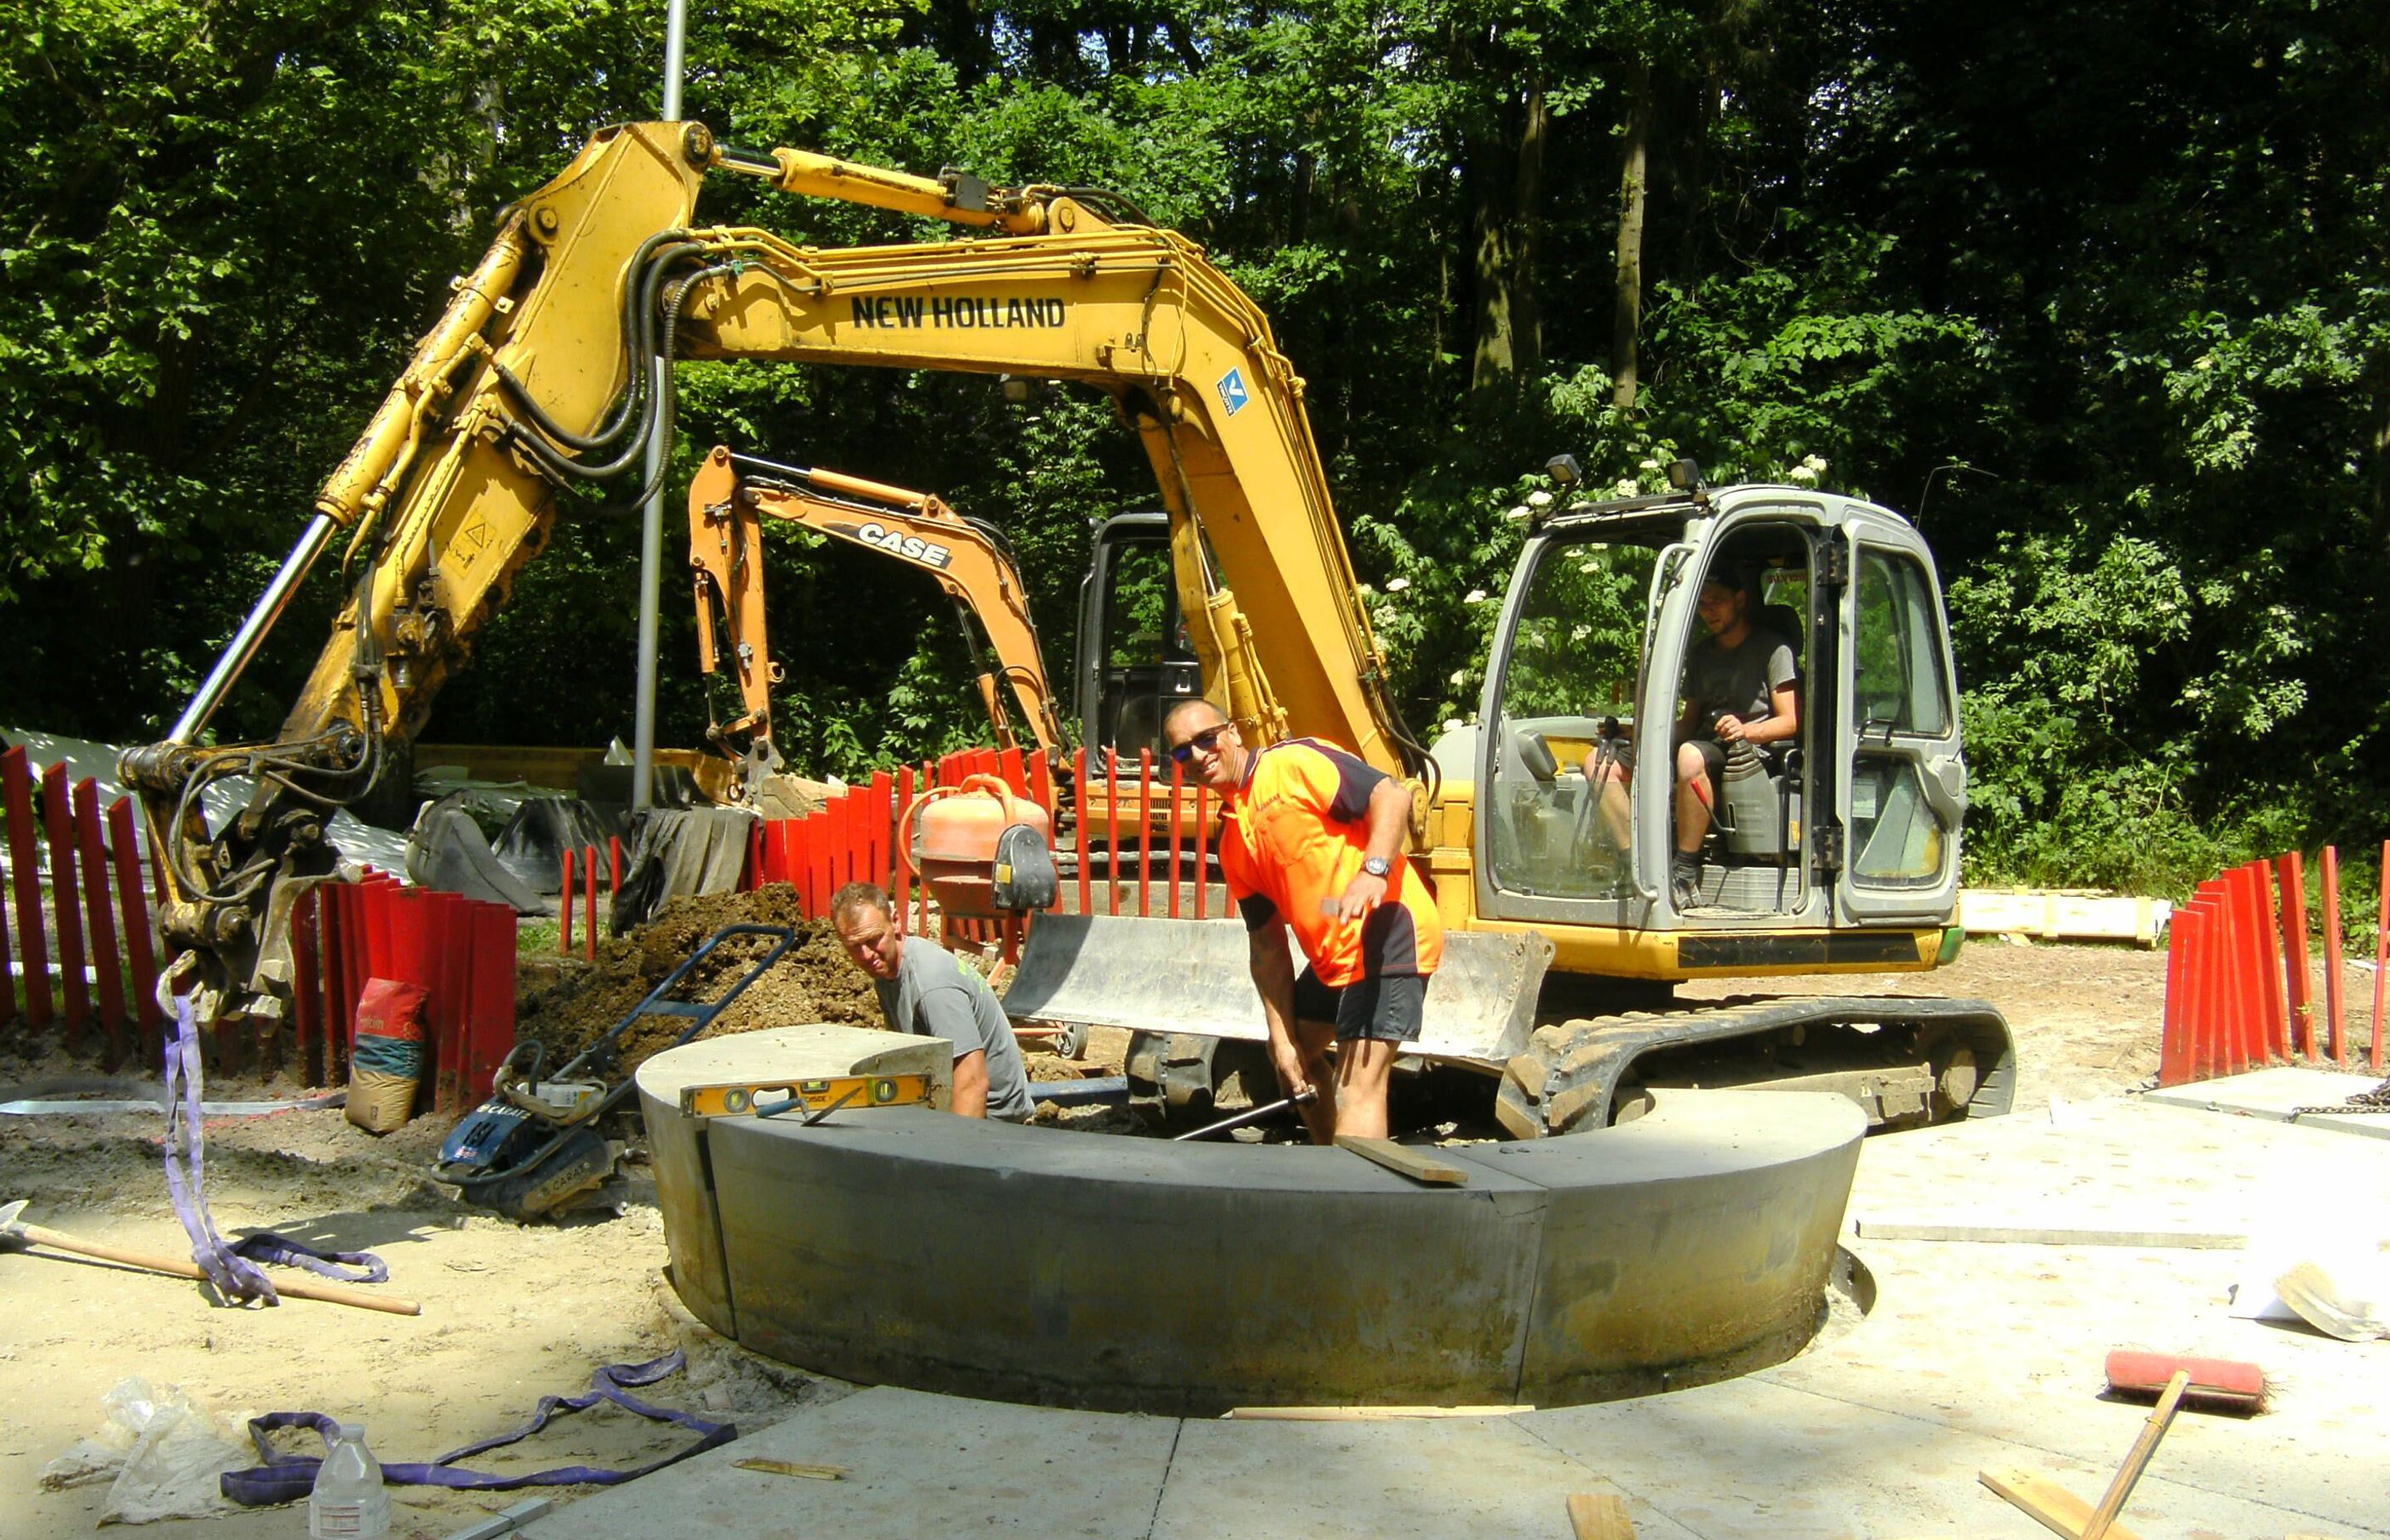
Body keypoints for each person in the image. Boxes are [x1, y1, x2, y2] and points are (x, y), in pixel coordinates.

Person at [1162, 699, 1443, 1143]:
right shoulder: (1233, 837)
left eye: (1205, 739)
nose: (1197, 756)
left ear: (1232, 732)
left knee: (1359, 1088)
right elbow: (1268, 945)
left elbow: (1392, 793)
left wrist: (1374, 871)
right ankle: (1330, 1169)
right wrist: (1282, 1039)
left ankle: (1354, 1204)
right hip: (1336, 957)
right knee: (1297, 1064)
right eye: (1182, 752)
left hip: (1388, 930)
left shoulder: (1292, 764)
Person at [1586, 567, 1798, 907]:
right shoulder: (1701, 655)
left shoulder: (1774, 650)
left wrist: (1747, 731)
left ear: (1740, 600)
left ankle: (1685, 872)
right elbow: (1688, 724)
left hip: (1749, 751)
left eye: (1717, 602)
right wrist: (1633, 735)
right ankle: (1636, 865)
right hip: (1702, 742)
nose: (1708, 611)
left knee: (1688, 755)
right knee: (1598, 762)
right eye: (1702, 604)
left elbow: (1790, 722)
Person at [828, 880, 1036, 1121]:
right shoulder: (886, 970)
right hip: (943, 1100)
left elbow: (973, 1085)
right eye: (855, 946)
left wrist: (949, 1155)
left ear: (896, 922)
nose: (866, 955)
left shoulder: (933, 986)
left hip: (994, 1118)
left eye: (873, 940)